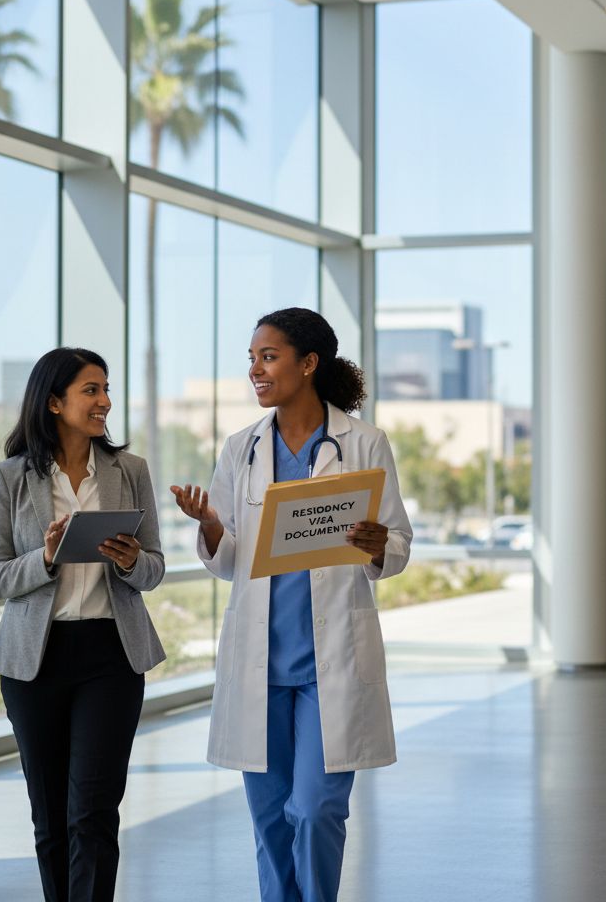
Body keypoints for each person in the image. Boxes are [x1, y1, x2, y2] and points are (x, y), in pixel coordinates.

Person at [171, 307, 412, 902]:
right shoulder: (241, 448)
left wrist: (380, 544)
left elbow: (399, 541)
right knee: (272, 820)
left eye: (268, 357)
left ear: (309, 364)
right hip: (262, 664)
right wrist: (207, 527)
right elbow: (230, 558)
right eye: (252, 358)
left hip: (331, 664)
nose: (255, 369)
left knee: (316, 810)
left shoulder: (363, 443)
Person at [0, 347, 166, 902]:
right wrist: (46, 558)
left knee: (93, 809)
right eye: (91, 390)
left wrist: (130, 559)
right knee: (51, 813)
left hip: (111, 654)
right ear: (55, 402)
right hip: (35, 661)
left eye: (106, 389)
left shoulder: (129, 471)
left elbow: (154, 568)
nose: (105, 401)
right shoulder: (10, 477)